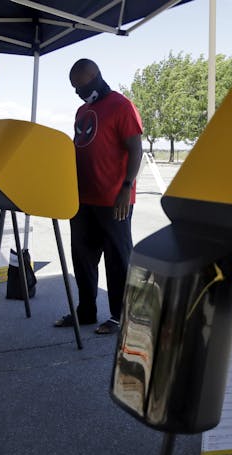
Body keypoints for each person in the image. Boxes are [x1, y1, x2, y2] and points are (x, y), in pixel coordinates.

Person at [54, 58, 143, 335]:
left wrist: (126, 187)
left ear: (95, 76)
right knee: (82, 257)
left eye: (82, 85)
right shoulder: (82, 111)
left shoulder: (121, 106)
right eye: (74, 88)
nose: (79, 92)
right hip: (82, 199)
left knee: (117, 260)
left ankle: (119, 316)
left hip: (114, 200)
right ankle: (86, 311)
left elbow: (135, 148)